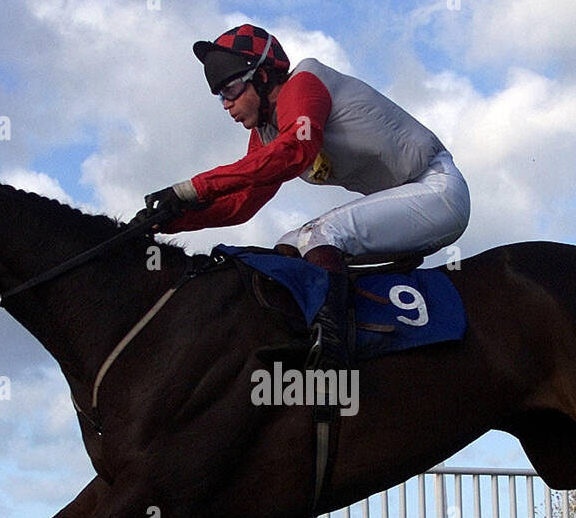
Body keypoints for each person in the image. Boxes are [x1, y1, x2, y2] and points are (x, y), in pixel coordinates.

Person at [144, 24, 470, 369]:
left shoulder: (304, 86)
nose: (227, 104)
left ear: (264, 76)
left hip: (437, 189)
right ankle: (310, 339)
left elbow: (295, 151)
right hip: (406, 203)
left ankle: (334, 353)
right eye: (220, 96)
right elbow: (242, 203)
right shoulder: (268, 130)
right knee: (288, 246)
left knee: (320, 235)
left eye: (232, 89)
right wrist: (170, 220)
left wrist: (192, 188)